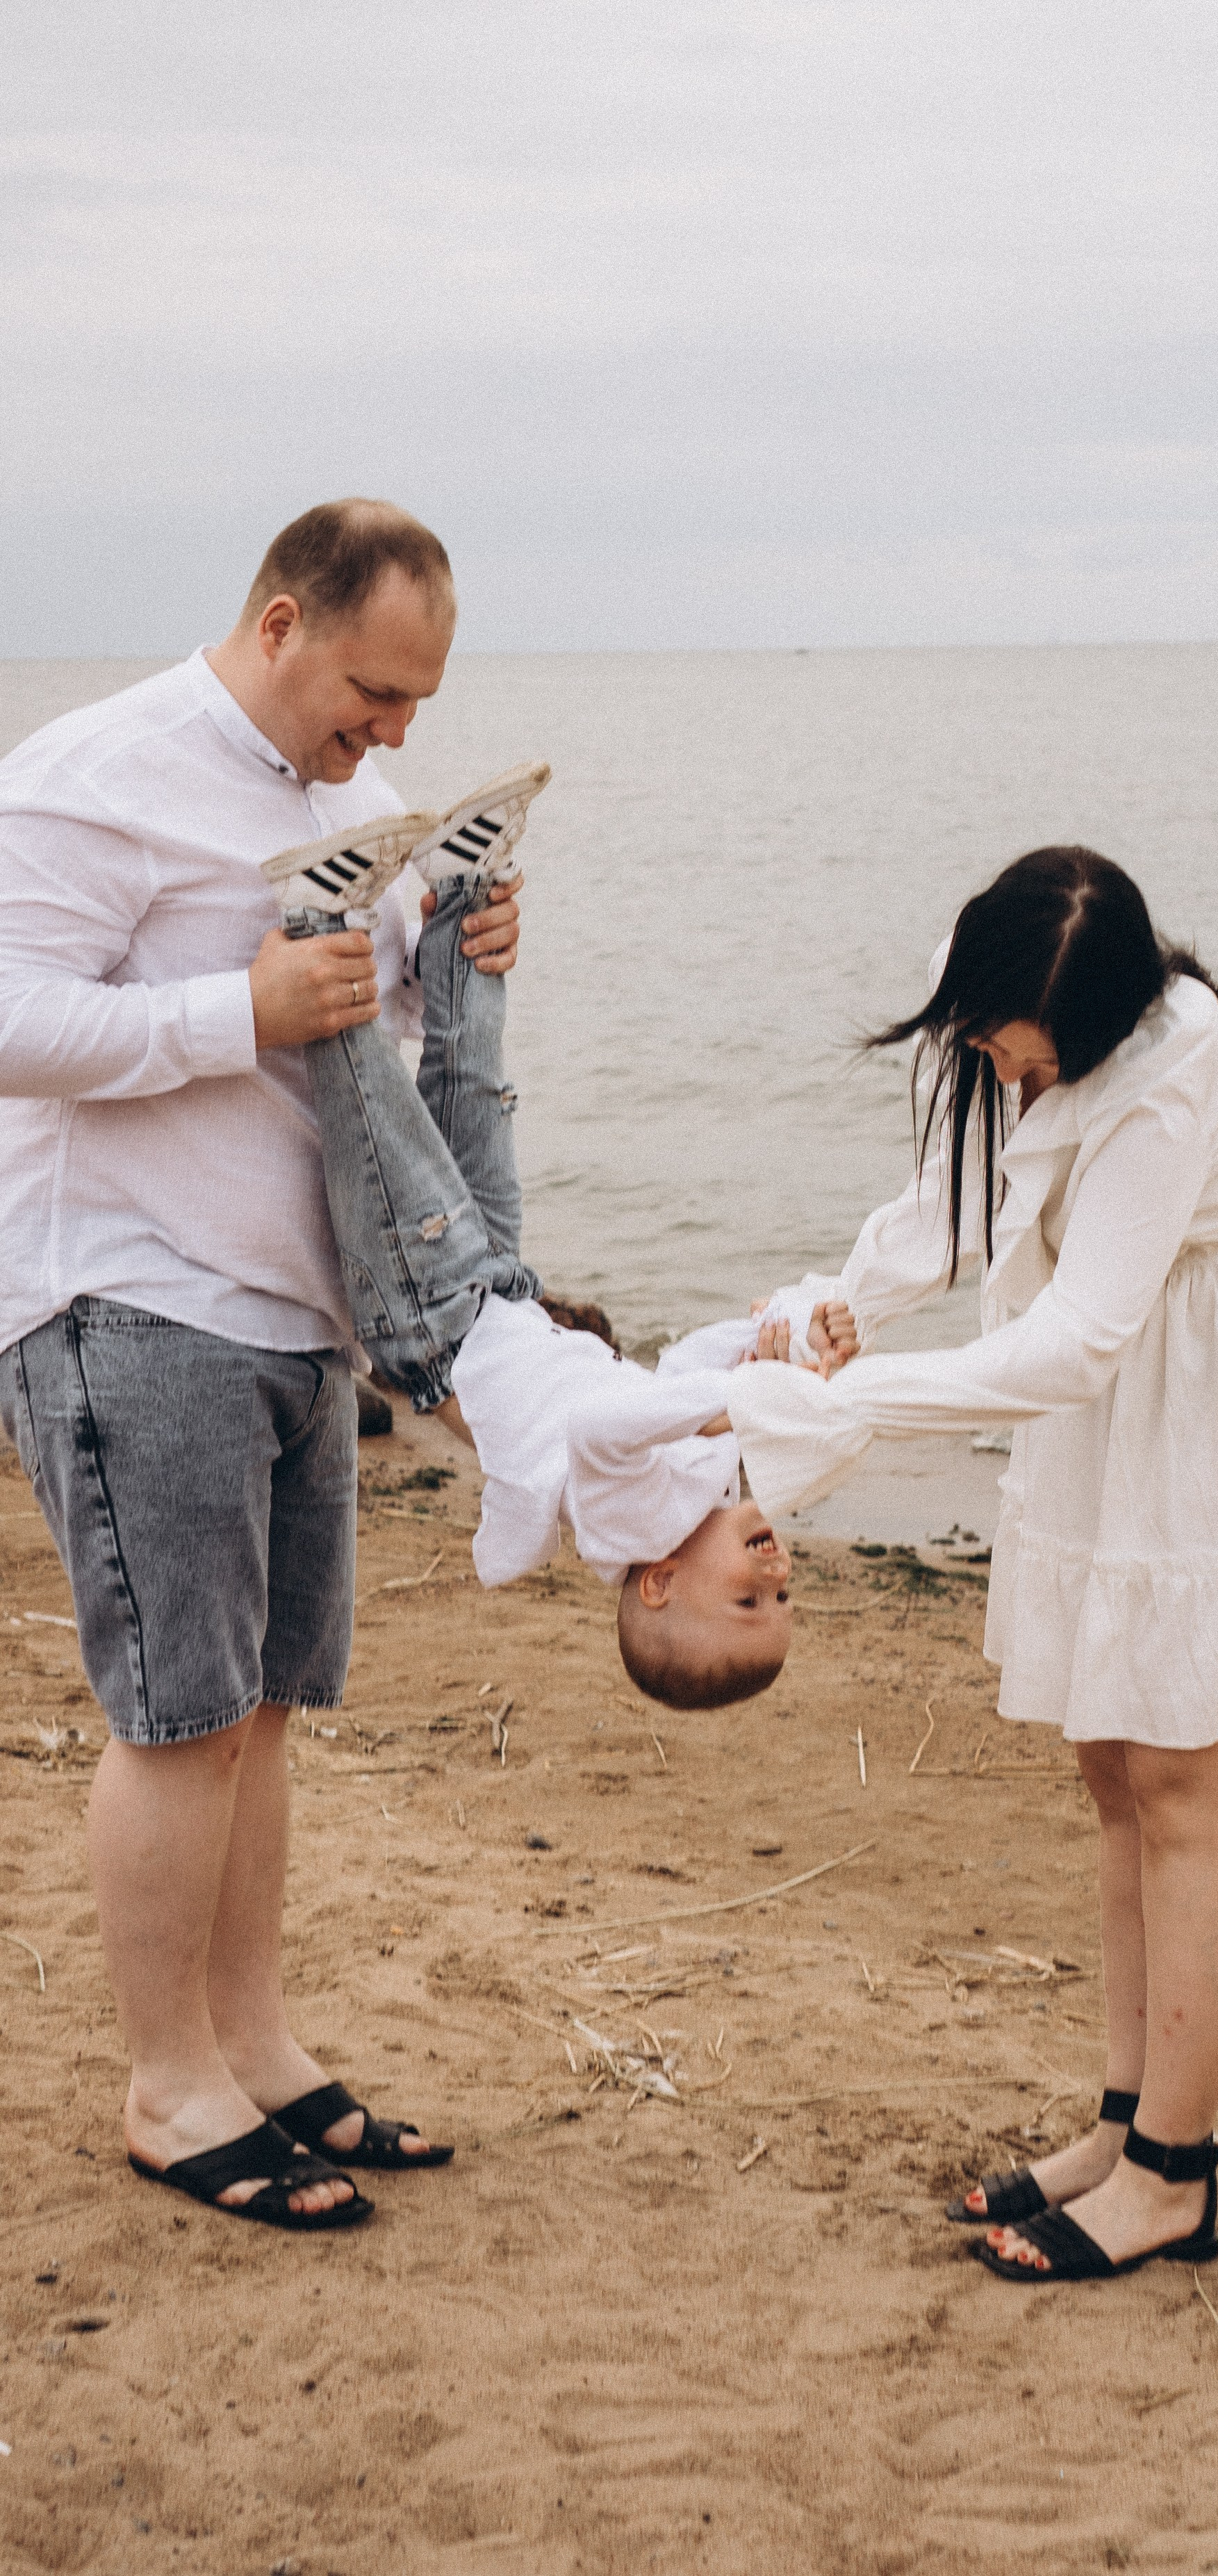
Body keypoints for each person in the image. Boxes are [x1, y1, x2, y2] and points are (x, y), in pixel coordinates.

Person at [728, 845, 1218, 2283]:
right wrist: (843, 1305)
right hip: (1124, 1406)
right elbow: (953, 1209)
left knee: (1192, 1786)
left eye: (1013, 1037)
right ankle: (1123, 2122)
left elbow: (1083, 1331)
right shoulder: (1003, 1036)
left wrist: (855, 1408)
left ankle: (1173, 2173)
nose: (986, 1052)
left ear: (1093, 1021)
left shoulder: (1178, 1065)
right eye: (975, 1021)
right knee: (1113, 1768)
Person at [0, 500, 519, 2230]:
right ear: (282, 623)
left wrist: (457, 968)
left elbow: (368, 1056)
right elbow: (9, 1018)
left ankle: (255, 2044)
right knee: (185, 1715)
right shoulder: (97, 769)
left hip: (305, 1310)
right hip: (130, 1289)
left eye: (420, 704)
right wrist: (240, 1011)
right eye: (372, 689)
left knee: (271, 1709)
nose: (392, 733)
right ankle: (166, 2085)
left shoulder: (361, 808)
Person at [265, 801, 798, 1709]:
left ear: (661, 1585)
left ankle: (319, 921)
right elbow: (666, 1373)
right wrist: (752, 1342)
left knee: (379, 1110)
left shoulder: (632, 1520)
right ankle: (462, 892)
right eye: (783, 1597)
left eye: (749, 1598)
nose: (776, 1572)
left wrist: (728, 1401)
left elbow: (604, 1429)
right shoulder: (696, 1484)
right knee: (475, 1086)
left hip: (436, 1322)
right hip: (500, 1293)